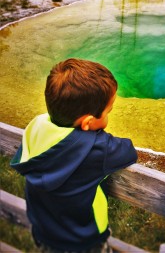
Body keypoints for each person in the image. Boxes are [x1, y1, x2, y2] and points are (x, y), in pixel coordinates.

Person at [10, 58, 138, 253]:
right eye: (107, 112)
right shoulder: (98, 149)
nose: (108, 116)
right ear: (87, 123)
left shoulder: (36, 127)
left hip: (44, 233)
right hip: (82, 242)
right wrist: (96, 135)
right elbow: (128, 151)